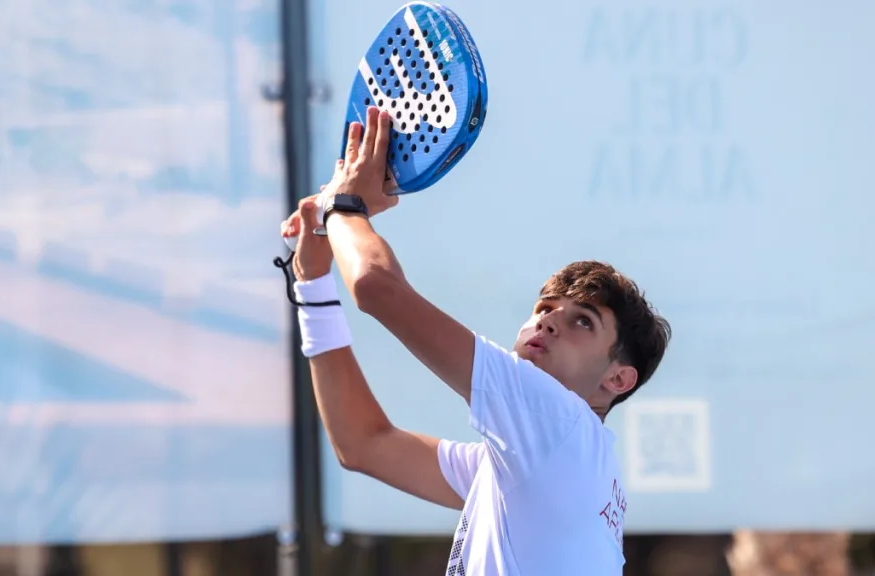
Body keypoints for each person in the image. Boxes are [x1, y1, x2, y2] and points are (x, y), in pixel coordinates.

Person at [282, 106, 671, 575]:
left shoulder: (559, 424)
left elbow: (375, 286)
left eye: (582, 322)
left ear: (618, 378)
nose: (548, 323)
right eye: (544, 309)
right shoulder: (538, 459)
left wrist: (343, 205)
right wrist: (313, 285)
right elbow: (364, 444)